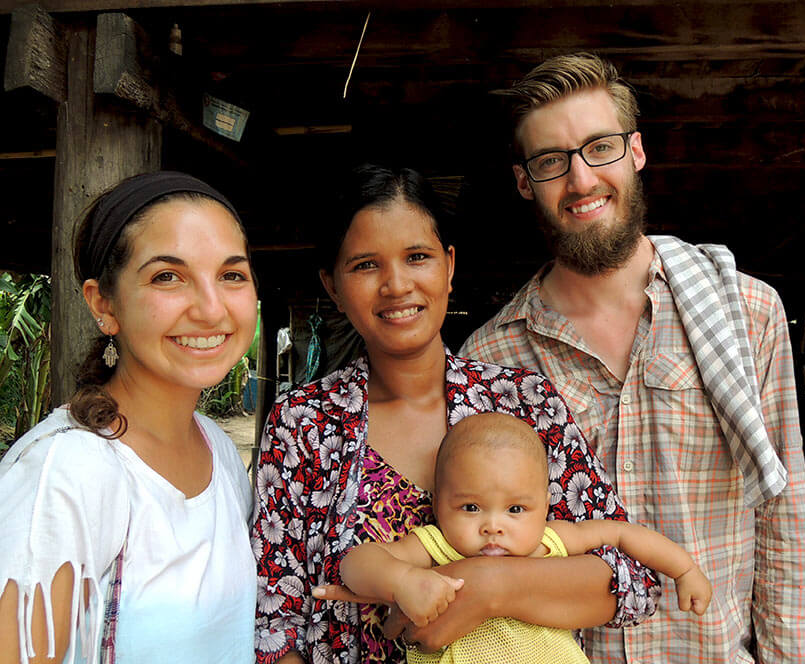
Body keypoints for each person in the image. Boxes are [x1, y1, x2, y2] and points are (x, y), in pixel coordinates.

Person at [460, 53, 805, 663]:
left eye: (599, 147)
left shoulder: (746, 313)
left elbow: (784, 523)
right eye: (551, 161)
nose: (580, 181)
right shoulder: (492, 357)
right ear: (525, 182)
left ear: (636, 151)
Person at [251, 164, 660, 664]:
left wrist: (492, 586)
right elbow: (275, 623)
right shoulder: (303, 425)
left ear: (448, 266)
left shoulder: (525, 402)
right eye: (364, 265)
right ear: (332, 286)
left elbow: (630, 579)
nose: (397, 285)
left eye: (417, 257)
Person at [0, 171, 259, 664]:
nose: (210, 308)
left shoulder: (218, 451)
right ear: (104, 304)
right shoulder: (65, 475)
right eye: (168, 276)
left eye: (231, 275)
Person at [340, 412, 712, 664]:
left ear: (545, 505)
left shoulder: (550, 541)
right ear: (438, 504)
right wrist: (403, 580)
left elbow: (622, 533)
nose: (493, 526)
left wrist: (684, 570)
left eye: (515, 510)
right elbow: (356, 562)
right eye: (471, 508)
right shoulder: (436, 545)